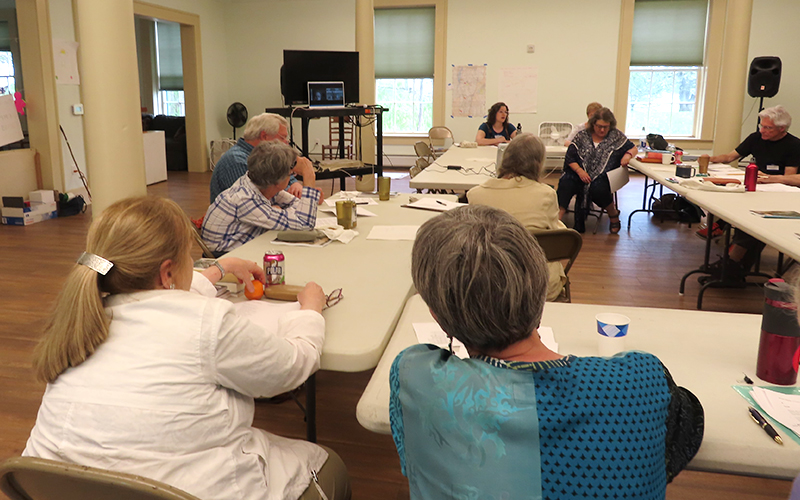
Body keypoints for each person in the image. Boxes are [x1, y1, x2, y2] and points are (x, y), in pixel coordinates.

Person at [22, 196, 352, 500]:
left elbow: (158, 296)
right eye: (188, 260)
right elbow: (291, 366)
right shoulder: (206, 322)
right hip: (179, 490)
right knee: (329, 465)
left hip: (63, 487)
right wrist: (310, 311)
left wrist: (218, 269)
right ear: (167, 272)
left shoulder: (80, 321)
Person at [389, 205, 704, 500]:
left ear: (436, 314)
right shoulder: (641, 382)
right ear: (540, 289)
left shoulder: (415, 378)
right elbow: (685, 430)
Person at [701, 105, 800, 279]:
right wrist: (708, 160)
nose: (763, 130)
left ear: (781, 129)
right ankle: (731, 260)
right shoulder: (756, 138)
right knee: (736, 207)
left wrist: (769, 177)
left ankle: (732, 264)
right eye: (762, 126)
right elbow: (730, 157)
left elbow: (789, 178)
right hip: (759, 186)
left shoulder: (794, 145)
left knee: (751, 219)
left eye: (768, 128)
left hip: (781, 194)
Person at [467, 133, 567, 301]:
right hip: (538, 288)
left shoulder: (475, 195)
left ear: (505, 158)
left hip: (488, 286)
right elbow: (555, 234)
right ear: (538, 164)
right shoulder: (546, 194)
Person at [202, 141, 321, 255]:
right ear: (279, 181)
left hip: (244, 247)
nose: (291, 178)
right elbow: (305, 225)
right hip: (224, 257)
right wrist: (309, 178)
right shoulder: (245, 199)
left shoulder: (260, 184)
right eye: (291, 174)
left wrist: (280, 212)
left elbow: (297, 205)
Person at [556, 107, 637, 234]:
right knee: (566, 183)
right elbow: (570, 158)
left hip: (602, 175)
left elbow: (632, 148)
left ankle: (613, 213)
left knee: (598, 188)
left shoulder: (616, 136)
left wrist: (627, 155)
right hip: (578, 172)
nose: (602, 130)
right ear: (593, 124)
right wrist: (580, 171)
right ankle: (557, 220)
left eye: (606, 126)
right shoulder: (582, 135)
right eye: (599, 126)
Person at [209, 112, 309, 203]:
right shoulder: (236, 161)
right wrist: (306, 188)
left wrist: (294, 184)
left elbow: (279, 172)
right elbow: (258, 200)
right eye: (282, 138)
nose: (286, 143)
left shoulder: (264, 157)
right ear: (264, 136)